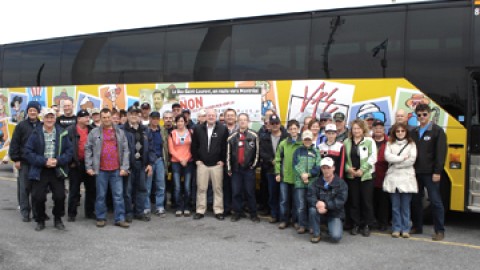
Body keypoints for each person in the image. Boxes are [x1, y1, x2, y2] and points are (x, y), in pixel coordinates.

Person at [24, 108, 73, 231]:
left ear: (55, 119)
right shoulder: (35, 134)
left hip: (57, 169)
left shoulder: (62, 133)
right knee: (38, 197)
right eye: (47, 117)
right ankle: (40, 220)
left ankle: (58, 219)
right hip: (40, 170)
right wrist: (44, 161)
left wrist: (58, 161)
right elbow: (28, 152)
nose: (49, 120)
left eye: (51, 117)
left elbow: (69, 151)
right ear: (42, 118)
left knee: (60, 196)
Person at [85, 108, 130, 228]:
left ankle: (120, 218)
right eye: (103, 117)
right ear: (100, 118)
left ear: (111, 117)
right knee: (100, 195)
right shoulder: (94, 132)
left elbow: (126, 150)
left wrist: (124, 167)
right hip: (100, 170)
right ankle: (100, 217)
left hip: (116, 169)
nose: (106, 119)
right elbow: (88, 148)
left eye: (108, 117)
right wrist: (89, 166)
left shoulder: (119, 132)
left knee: (118, 195)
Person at [410, 104, 447, 241]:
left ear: (429, 114)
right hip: (415, 172)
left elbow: (441, 153)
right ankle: (417, 226)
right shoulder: (413, 132)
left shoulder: (437, 131)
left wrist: (437, 171)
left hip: (431, 173)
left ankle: (439, 230)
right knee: (415, 201)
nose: (422, 117)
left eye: (424, 114)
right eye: (419, 115)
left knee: (436, 201)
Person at [191, 108, 228, 220]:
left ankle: (218, 210)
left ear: (216, 117)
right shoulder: (198, 128)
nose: (211, 117)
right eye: (209, 115)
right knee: (201, 188)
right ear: (205, 117)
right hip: (202, 164)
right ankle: (200, 210)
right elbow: (194, 145)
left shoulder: (223, 129)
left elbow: (225, 146)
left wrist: (222, 160)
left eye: (213, 115)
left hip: (217, 165)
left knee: (218, 188)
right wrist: (196, 160)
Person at [9, 101, 42, 222]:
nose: (32, 112)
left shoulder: (42, 125)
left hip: (38, 162)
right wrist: (16, 159)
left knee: (37, 189)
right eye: (30, 110)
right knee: (24, 188)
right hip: (24, 162)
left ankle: (36, 212)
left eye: (35, 110)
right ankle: (25, 212)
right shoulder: (21, 126)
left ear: (38, 112)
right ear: (27, 111)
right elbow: (14, 143)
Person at [343, 119, 377, 237]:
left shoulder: (369, 141)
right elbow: (344, 159)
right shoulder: (346, 142)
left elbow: (373, 157)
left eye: (358, 128)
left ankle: (367, 225)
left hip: (366, 176)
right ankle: (355, 224)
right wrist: (348, 169)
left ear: (363, 129)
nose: (356, 131)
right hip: (352, 176)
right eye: (354, 128)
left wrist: (362, 169)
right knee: (354, 201)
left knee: (367, 201)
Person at [121, 104, 155, 222]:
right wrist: (123, 166)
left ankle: (139, 212)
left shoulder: (145, 130)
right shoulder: (122, 130)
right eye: (132, 114)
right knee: (127, 190)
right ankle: (128, 212)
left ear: (139, 116)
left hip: (142, 164)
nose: (134, 116)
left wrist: (150, 163)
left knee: (141, 189)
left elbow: (151, 148)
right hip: (128, 165)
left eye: (136, 114)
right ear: (127, 115)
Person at [384, 122, 418, 238]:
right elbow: (387, 157)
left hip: (406, 177)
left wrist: (396, 162)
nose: (400, 133)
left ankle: (405, 229)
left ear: (406, 132)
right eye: (398, 131)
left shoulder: (411, 144)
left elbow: (412, 160)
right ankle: (396, 228)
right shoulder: (389, 143)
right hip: (393, 177)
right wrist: (402, 158)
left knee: (405, 206)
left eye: (402, 131)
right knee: (395, 206)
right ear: (394, 132)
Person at [227, 113, 260, 222]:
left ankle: (253, 214)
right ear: (237, 122)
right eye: (240, 120)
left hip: (248, 169)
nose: (242, 122)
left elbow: (257, 153)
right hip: (236, 169)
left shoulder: (254, 136)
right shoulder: (232, 137)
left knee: (250, 192)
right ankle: (237, 212)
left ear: (248, 121)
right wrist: (229, 168)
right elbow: (228, 154)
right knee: (236, 192)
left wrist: (253, 166)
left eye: (244, 120)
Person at [308, 157, 348, 243]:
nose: (326, 170)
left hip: (335, 214)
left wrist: (326, 205)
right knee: (312, 210)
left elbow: (341, 201)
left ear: (333, 168)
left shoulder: (341, 183)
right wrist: (317, 202)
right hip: (319, 211)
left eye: (328, 168)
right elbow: (310, 196)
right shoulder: (315, 182)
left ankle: (325, 226)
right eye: (323, 168)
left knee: (336, 237)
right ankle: (316, 233)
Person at [66, 110, 96, 221]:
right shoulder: (70, 130)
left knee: (91, 189)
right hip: (75, 164)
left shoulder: (92, 130)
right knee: (74, 190)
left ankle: (90, 212)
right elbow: (66, 147)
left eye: (88, 117)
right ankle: (71, 214)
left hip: (89, 164)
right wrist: (70, 162)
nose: (88, 119)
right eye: (85, 117)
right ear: (78, 119)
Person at [259, 114, 288, 223]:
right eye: (272, 123)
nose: (275, 125)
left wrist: (280, 160)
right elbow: (262, 152)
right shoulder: (264, 137)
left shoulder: (286, 137)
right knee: (272, 193)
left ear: (280, 124)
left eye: (277, 123)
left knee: (284, 195)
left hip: (284, 169)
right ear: (269, 125)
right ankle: (274, 214)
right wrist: (271, 160)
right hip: (270, 169)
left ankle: (283, 217)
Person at [275, 120, 303, 229]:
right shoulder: (283, 143)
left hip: (297, 177)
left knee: (297, 201)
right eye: (291, 129)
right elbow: (278, 159)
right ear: (288, 131)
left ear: (298, 129)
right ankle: (284, 220)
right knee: (283, 200)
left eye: (295, 128)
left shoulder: (302, 144)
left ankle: (295, 221)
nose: (293, 131)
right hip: (284, 177)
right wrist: (278, 173)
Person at [292, 130, 321, 234]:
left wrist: (308, 175)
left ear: (312, 139)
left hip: (312, 182)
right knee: (300, 205)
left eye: (309, 139)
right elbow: (295, 165)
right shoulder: (298, 151)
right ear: (303, 140)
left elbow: (318, 166)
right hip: (300, 182)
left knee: (311, 205)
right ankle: (302, 225)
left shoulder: (316, 151)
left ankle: (312, 226)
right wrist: (302, 175)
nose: (307, 141)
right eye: (305, 139)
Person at [168, 114, 194, 217]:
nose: (180, 123)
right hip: (176, 162)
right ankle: (178, 207)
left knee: (187, 186)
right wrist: (180, 159)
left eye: (182, 121)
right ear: (176, 122)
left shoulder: (191, 132)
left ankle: (187, 207)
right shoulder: (172, 134)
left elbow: (193, 148)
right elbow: (171, 149)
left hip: (188, 162)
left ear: (185, 122)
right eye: (178, 121)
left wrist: (186, 159)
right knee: (177, 186)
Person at [144, 111, 166, 217]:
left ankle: (159, 207)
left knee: (160, 185)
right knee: (147, 185)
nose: (155, 120)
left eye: (157, 118)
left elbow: (165, 147)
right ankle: (146, 207)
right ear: (150, 118)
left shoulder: (162, 131)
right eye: (153, 118)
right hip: (149, 162)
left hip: (159, 160)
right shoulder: (145, 130)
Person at [372, 120, 389, 231]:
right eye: (376, 128)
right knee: (372, 200)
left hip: (385, 176)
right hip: (371, 176)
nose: (378, 130)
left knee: (384, 202)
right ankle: (372, 221)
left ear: (384, 130)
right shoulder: (368, 141)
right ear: (373, 129)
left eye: (380, 128)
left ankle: (383, 223)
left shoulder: (389, 142)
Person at [223, 108, 239, 216]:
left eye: (232, 115)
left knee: (237, 187)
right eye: (228, 115)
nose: (230, 117)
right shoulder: (220, 129)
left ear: (235, 117)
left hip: (237, 163)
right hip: (224, 162)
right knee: (226, 186)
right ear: (224, 117)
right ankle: (226, 208)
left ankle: (237, 209)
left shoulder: (240, 129)